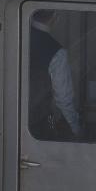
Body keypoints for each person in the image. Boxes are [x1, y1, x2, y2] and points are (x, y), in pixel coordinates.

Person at [29, 11, 82, 139]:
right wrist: (75, 128)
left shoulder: (15, 37)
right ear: (55, 17)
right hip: (37, 123)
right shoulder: (57, 52)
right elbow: (63, 99)